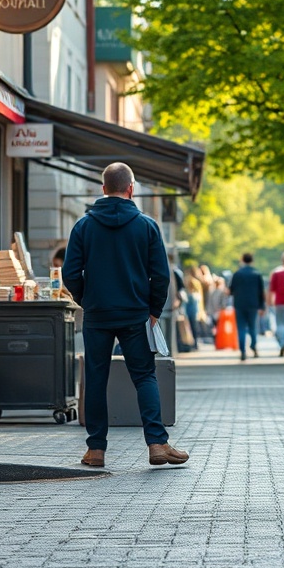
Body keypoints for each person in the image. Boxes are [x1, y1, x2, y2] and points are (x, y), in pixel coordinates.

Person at [62, 162, 188, 468]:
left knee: (96, 378)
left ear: (103, 189)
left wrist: (85, 298)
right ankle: (157, 444)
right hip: (134, 314)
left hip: (98, 314)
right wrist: (154, 310)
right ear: (131, 189)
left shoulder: (84, 226)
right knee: (144, 376)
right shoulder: (146, 226)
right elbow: (161, 275)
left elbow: (70, 272)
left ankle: (96, 450)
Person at [228, 252, 265, 360]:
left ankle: (243, 351)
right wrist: (262, 306)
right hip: (253, 304)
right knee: (253, 327)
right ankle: (253, 346)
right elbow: (261, 291)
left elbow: (231, 290)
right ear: (252, 261)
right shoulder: (257, 274)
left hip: (239, 304)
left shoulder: (237, 274)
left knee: (241, 328)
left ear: (242, 260)